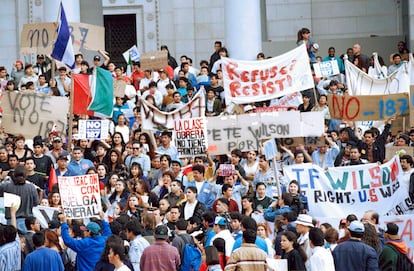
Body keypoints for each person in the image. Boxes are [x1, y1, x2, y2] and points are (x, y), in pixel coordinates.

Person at [0, 165, 39, 233]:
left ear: (14, 175)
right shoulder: (31, 187)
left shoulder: (6, 186)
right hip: (27, 222)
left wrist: (2, 179)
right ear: (26, 175)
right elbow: (36, 203)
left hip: (11, 221)